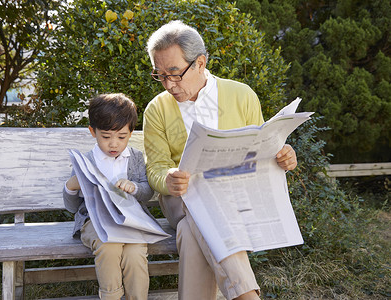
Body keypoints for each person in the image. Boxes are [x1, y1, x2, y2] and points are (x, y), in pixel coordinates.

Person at [143, 20, 298, 300]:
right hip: (181, 200)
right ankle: (246, 296)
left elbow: (263, 150)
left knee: (191, 234)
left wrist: (283, 156)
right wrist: (168, 178)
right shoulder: (156, 110)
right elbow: (154, 168)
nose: (168, 84)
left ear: (200, 63)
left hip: (234, 198)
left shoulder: (242, 95)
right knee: (199, 213)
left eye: (175, 73)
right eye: (160, 75)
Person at [63, 93, 154, 300]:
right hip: (95, 222)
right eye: (106, 137)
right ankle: (111, 296)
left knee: (135, 254)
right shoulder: (86, 161)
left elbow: (147, 192)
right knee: (109, 246)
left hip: (131, 222)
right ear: (92, 132)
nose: (114, 144)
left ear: (131, 133)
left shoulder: (136, 158)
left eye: (121, 137)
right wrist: (71, 186)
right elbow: (70, 206)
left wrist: (135, 187)